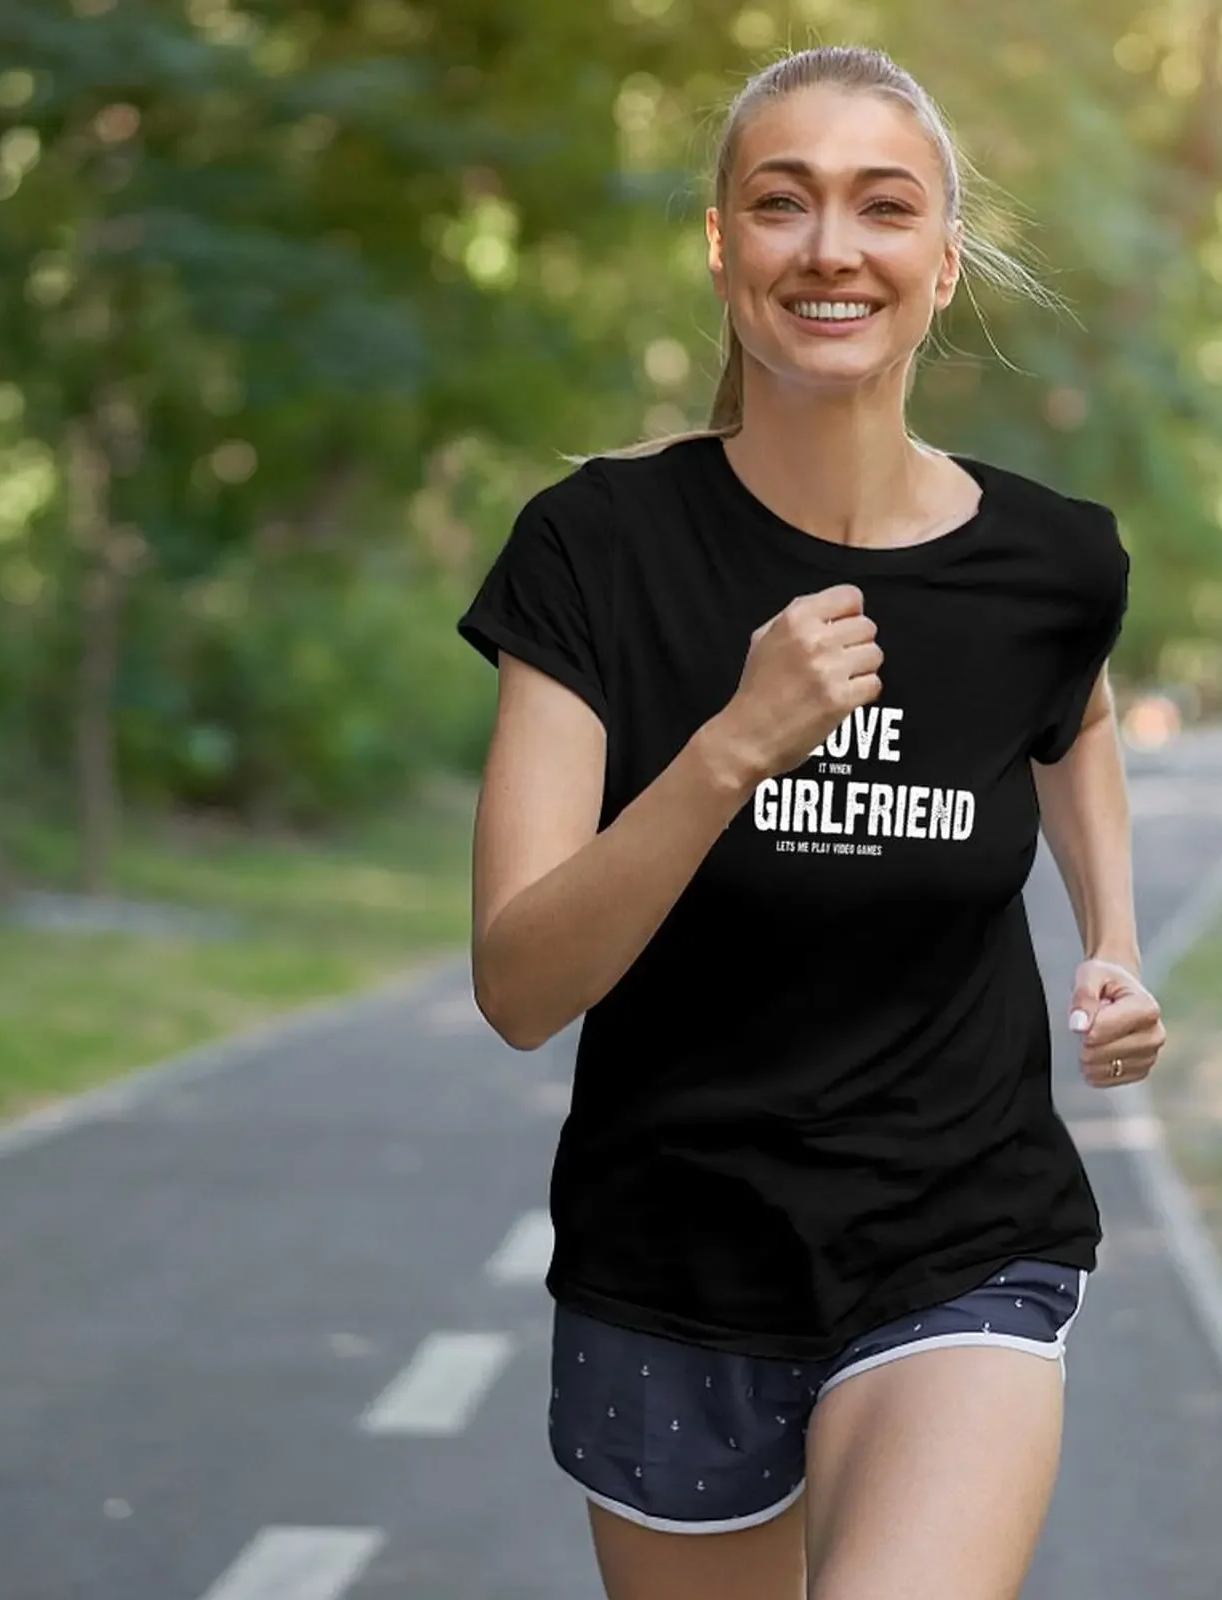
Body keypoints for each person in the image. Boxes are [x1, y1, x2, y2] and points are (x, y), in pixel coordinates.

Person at [458, 43, 1165, 1600]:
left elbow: (1080, 714)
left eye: (881, 207)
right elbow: (519, 987)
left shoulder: (1050, 564)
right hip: (672, 1269)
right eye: (782, 205)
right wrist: (733, 746)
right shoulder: (597, 551)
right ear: (723, 247)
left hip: (962, 1238)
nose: (831, 247)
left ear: (940, 259)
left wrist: (1112, 936)